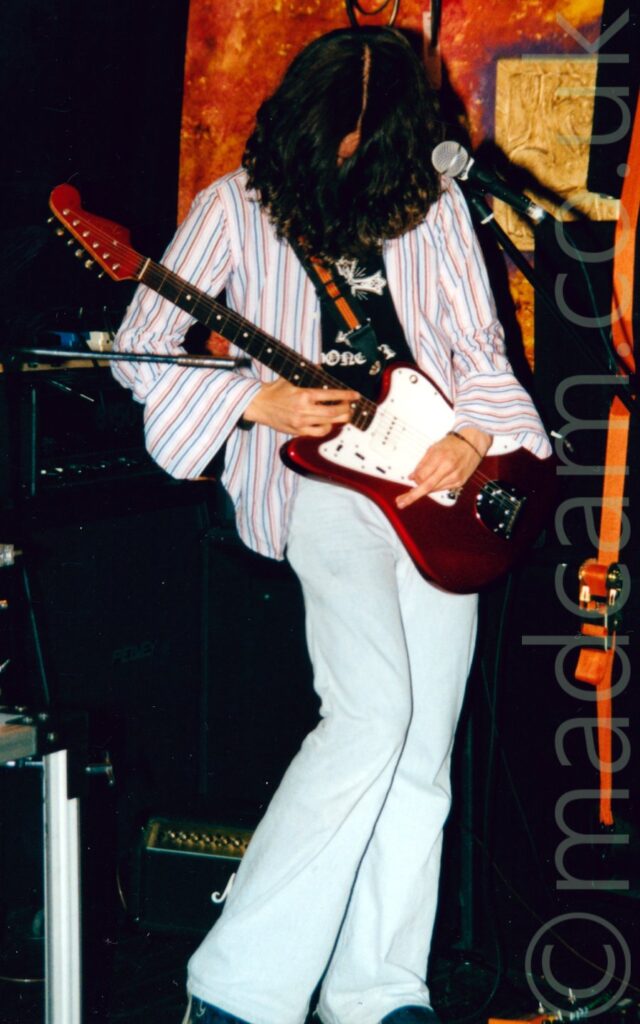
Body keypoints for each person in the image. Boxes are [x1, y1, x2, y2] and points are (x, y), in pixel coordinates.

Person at [112, 26, 551, 1024]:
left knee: (422, 749)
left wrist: (476, 440)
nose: (355, 156)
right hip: (320, 487)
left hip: (427, 492)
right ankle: (235, 987)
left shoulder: (433, 208)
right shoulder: (235, 206)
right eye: (341, 136)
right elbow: (143, 346)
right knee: (370, 716)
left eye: (373, 139)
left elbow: (478, 351)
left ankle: (377, 990)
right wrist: (250, 402)